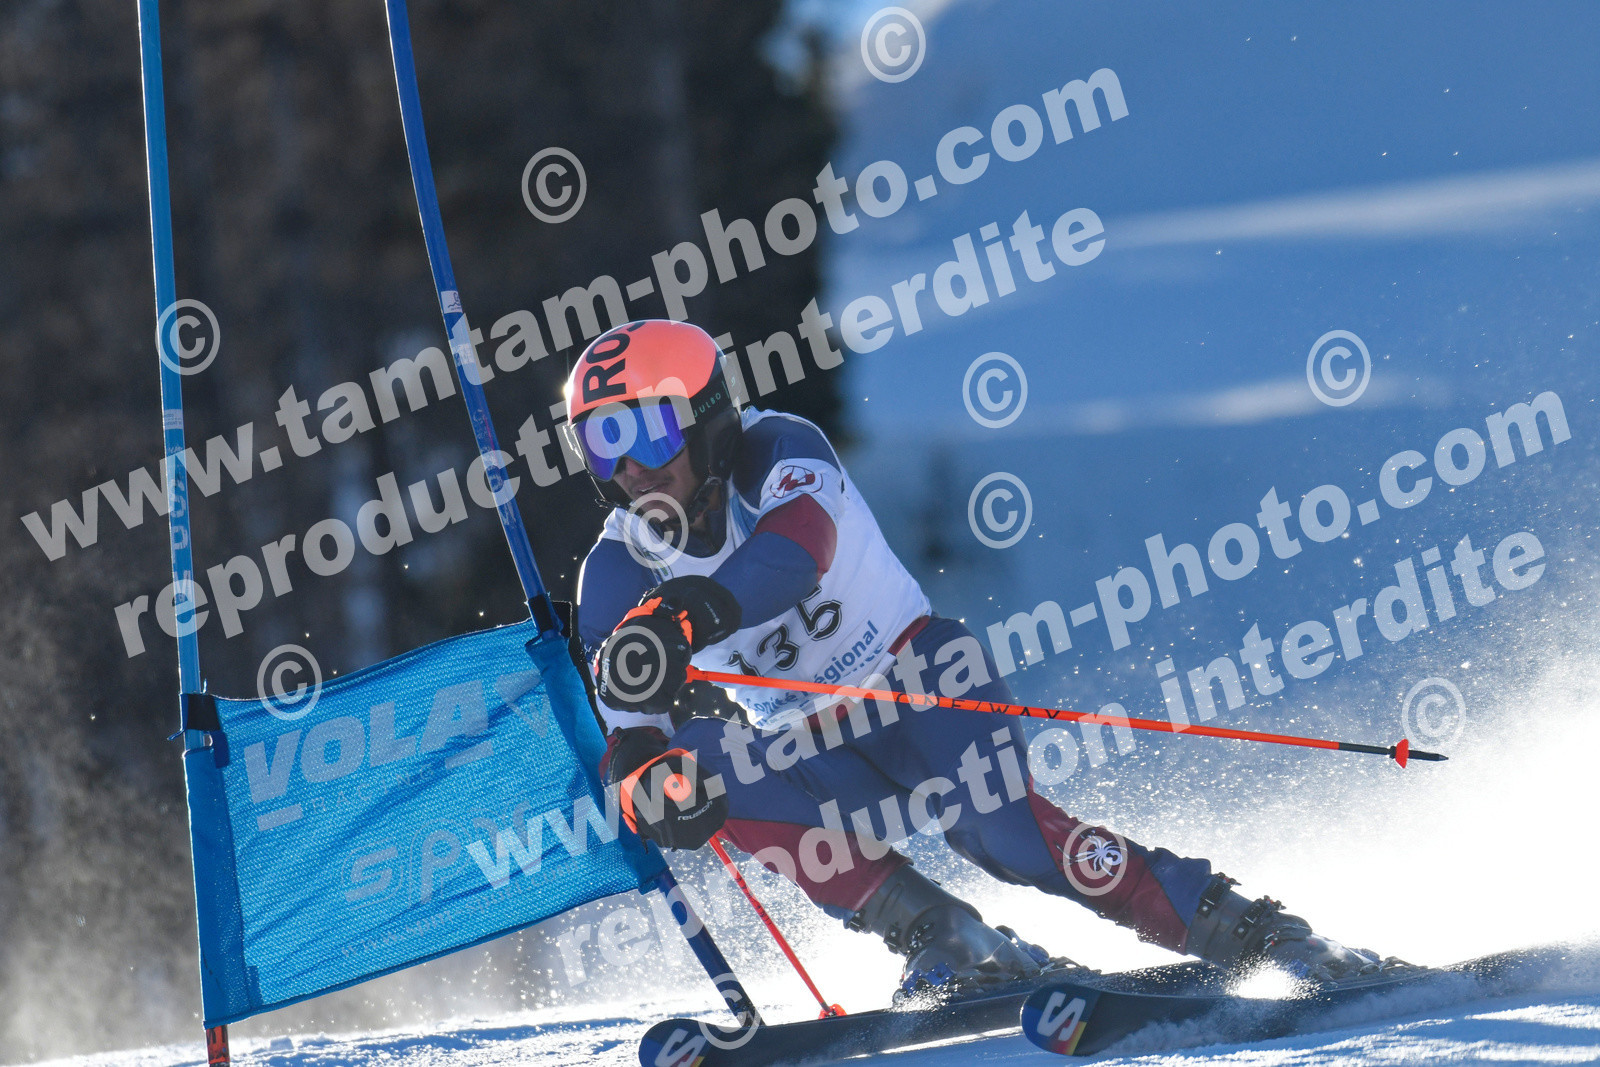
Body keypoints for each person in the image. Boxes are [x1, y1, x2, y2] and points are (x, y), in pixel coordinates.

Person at [567, 318, 1381, 994]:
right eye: (603, 445)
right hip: (812, 748)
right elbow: (629, 741)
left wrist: (684, 614)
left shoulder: (778, 447)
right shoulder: (615, 569)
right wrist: (653, 789)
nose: (630, 468)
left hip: (920, 684)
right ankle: (950, 937)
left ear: (707, 418)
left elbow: (796, 551)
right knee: (702, 759)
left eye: (646, 432)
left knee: (1008, 838)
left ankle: (1246, 928)